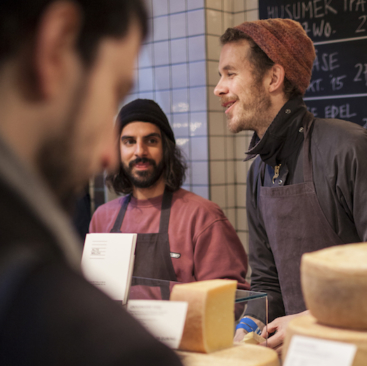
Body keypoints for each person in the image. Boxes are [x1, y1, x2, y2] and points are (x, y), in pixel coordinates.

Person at [0, 1, 190, 366]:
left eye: (150, 140)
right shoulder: (119, 361)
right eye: (113, 91)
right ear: (56, 46)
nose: (108, 154)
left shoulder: (199, 214)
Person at [214, 19, 367, 354]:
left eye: (230, 73)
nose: (219, 88)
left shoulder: (349, 148)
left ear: (273, 78)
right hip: (312, 359)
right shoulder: (259, 172)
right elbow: (268, 281)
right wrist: (245, 330)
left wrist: (309, 319)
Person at [89, 99, 249, 295]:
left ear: (166, 148)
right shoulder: (102, 217)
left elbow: (229, 299)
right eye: (129, 142)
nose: (140, 151)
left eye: (151, 141)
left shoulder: (202, 216)